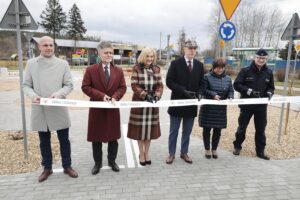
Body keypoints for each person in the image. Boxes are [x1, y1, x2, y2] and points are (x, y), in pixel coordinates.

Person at [23, 36, 78, 182]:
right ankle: (47, 167)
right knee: (44, 141)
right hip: (40, 107)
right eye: (45, 45)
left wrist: (58, 94)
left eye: (51, 45)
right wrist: (33, 95)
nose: (48, 47)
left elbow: (69, 85)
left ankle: (67, 166)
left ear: (54, 47)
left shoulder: (63, 64)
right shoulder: (31, 64)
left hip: (58, 106)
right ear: (39, 47)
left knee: (64, 140)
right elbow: (26, 85)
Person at [82, 41, 126, 174]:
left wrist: (115, 97)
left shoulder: (118, 70)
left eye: (111, 53)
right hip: (97, 110)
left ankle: (112, 161)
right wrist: (101, 96)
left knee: (113, 138)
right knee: (96, 139)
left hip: (112, 109)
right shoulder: (91, 70)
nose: (109, 55)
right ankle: (98, 163)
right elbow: (85, 87)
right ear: (99, 53)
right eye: (106, 52)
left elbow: (122, 87)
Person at [165, 39, 204, 164]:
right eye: (190, 48)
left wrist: (200, 93)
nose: (192, 50)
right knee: (173, 131)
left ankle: (184, 152)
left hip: (191, 104)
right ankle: (171, 154)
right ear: (184, 49)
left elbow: (202, 83)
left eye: (194, 48)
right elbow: (169, 81)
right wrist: (182, 90)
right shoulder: (175, 64)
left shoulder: (199, 65)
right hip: (177, 103)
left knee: (187, 131)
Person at [232, 49, 275, 160]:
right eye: (259, 58)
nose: (261, 60)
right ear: (254, 58)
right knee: (242, 127)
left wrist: (270, 93)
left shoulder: (269, 72)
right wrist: (248, 91)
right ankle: (237, 146)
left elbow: (271, 87)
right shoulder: (245, 71)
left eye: (263, 58)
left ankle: (260, 151)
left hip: (261, 106)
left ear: (266, 59)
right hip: (247, 105)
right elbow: (237, 84)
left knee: (261, 129)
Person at [127, 48, 163, 166]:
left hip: (152, 104)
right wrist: (145, 95)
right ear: (143, 57)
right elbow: (134, 85)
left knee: (149, 131)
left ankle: (146, 153)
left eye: (152, 56)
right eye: (147, 56)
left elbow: (160, 85)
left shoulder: (156, 69)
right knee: (140, 131)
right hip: (140, 103)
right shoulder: (136, 68)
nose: (150, 59)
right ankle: (141, 154)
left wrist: (157, 96)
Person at [199, 58, 234, 159]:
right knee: (207, 130)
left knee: (218, 131)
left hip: (220, 109)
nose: (220, 70)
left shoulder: (228, 78)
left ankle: (214, 149)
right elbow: (204, 90)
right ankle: (207, 149)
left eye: (222, 68)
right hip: (208, 109)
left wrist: (231, 96)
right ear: (213, 67)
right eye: (218, 68)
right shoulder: (207, 77)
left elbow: (231, 90)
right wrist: (213, 95)